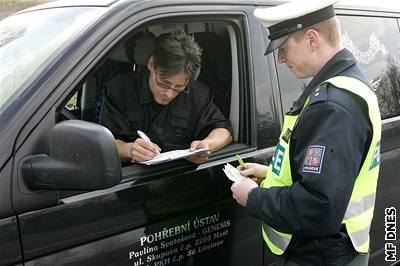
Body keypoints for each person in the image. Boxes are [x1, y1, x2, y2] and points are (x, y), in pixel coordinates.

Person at [231, 1, 381, 265]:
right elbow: (334, 174)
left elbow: (318, 206)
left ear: (312, 39)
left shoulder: (333, 106)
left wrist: (253, 197)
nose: (280, 58)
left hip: (319, 255)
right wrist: (271, 173)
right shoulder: (346, 85)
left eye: (284, 48)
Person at [100, 29, 232, 164]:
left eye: (178, 88)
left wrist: (207, 145)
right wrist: (129, 150)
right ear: (151, 65)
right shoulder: (119, 90)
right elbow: (106, 143)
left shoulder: (197, 94)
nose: (168, 94)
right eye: (164, 84)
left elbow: (224, 130)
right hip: (131, 177)